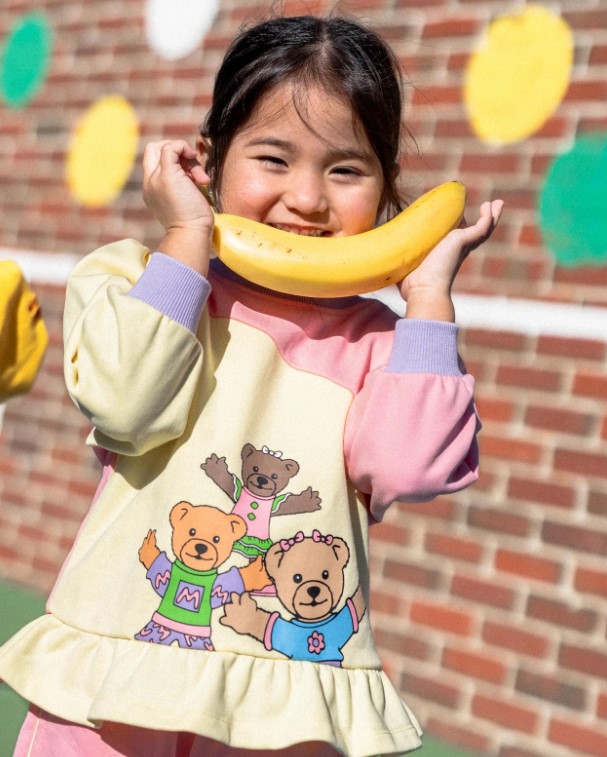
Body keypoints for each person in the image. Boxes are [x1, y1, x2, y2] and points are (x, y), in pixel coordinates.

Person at [0, 13, 503, 757]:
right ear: (209, 159)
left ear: (387, 185)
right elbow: (128, 404)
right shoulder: (139, 278)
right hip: (110, 688)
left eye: (345, 169)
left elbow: (407, 467)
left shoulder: (378, 341)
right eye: (273, 158)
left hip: (283, 711)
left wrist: (426, 301)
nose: (306, 197)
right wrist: (184, 243)